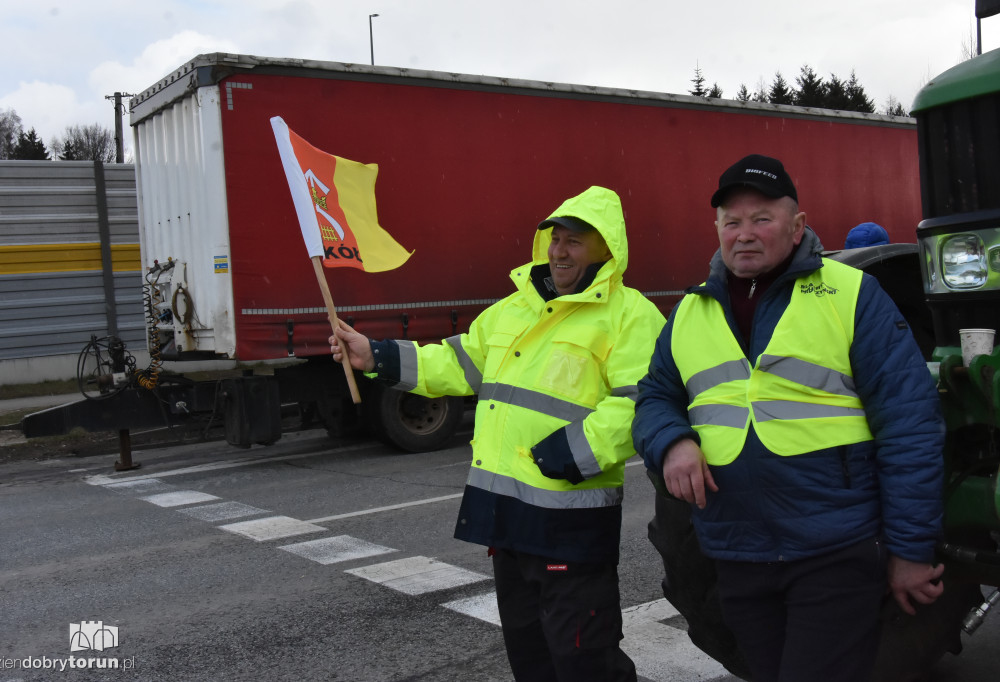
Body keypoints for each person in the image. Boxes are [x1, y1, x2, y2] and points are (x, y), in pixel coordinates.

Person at [632, 154, 945, 682]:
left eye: (762, 219)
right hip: (738, 555)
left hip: (833, 550)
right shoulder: (690, 312)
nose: (744, 234)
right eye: (732, 222)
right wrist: (672, 442)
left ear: (797, 227)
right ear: (717, 230)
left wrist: (911, 551)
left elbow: (910, 427)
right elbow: (654, 396)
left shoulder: (852, 297)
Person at [331, 185, 664, 681]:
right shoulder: (514, 310)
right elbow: (456, 362)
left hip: (570, 523)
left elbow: (641, 402)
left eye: (574, 241)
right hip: (507, 520)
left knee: (584, 660)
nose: (559, 251)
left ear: (606, 249)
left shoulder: (631, 315)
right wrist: (374, 356)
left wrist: (573, 453)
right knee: (530, 657)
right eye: (555, 239)